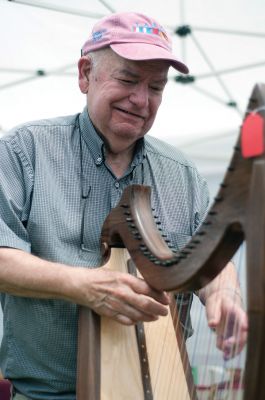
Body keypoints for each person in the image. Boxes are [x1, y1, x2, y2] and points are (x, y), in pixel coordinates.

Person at [0, 11, 247, 400]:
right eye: (128, 79)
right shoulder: (23, 151)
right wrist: (83, 285)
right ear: (85, 74)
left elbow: (210, 259)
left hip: (162, 390)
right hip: (45, 394)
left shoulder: (180, 173)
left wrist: (224, 294)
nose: (141, 100)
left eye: (156, 87)